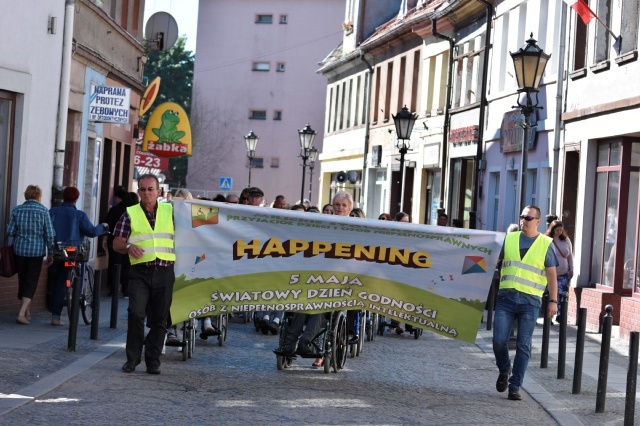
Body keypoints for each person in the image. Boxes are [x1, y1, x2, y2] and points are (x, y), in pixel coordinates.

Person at [493, 205, 558, 401]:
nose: (524, 220)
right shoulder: (509, 238)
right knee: (498, 341)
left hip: (530, 301)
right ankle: (505, 369)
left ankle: (515, 386)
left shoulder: (546, 243)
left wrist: (553, 301)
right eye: (522, 216)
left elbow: (552, 275)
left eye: (528, 218)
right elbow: (494, 260)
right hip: (506, 298)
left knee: (523, 345)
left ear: (538, 221)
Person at [113, 174, 175, 375]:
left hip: (164, 272)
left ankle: (153, 361)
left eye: (151, 189)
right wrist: (129, 246)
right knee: (136, 313)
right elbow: (116, 243)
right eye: (143, 189)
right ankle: (132, 359)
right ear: (138, 191)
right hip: (140, 273)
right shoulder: (129, 214)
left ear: (159, 192)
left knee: (160, 320)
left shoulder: (171, 211)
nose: (147, 193)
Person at [49, 187, 109, 326]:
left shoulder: (53, 212)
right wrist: (103, 227)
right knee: (72, 280)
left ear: (63, 197)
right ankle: (75, 300)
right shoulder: (80, 215)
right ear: (76, 199)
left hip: (57, 252)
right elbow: (91, 231)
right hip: (73, 253)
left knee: (57, 283)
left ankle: (55, 317)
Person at [6, 185, 56, 325]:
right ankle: (21, 314)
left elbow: (9, 231)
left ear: (26, 195)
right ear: (39, 196)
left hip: (19, 251)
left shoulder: (17, 209)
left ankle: (27, 312)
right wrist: (51, 253)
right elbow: (50, 235)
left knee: (23, 279)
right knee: (31, 281)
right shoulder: (43, 211)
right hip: (36, 252)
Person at [102, 187, 131, 298]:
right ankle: (126, 290)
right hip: (129, 241)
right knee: (126, 266)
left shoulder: (114, 210)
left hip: (114, 241)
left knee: (114, 264)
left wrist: (104, 239)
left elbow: (107, 225)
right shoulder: (132, 210)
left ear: (119, 198)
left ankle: (113, 289)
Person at [546, 220, 573, 324]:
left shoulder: (565, 240)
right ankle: (549, 317)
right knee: (552, 295)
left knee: (563, 295)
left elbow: (570, 256)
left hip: (563, 273)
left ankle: (560, 315)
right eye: (557, 230)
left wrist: (572, 269)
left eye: (561, 230)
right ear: (552, 229)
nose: (559, 232)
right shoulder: (547, 239)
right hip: (550, 273)